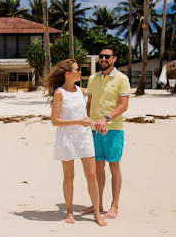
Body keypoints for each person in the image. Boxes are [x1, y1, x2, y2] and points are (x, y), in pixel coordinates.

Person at [45, 59, 107, 227]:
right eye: (77, 70)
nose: (80, 72)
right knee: (69, 176)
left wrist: (97, 125)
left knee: (92, 175)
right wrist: (77, 122)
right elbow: (55, 121)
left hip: (84, 136)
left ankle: (96, 213)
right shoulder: (59, 93)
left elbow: (84, 117)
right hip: (66, 137)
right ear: (67, 73)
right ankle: (70, 211)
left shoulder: (81, 91)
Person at [81, 45, 131, 219]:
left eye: (107, 57)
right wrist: (86, 123)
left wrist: (106, 119)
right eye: (101, 56)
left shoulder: (122, 78)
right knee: (98, 168)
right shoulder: (93, 78)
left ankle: (114, 205)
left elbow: (123, 106)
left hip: (113, 130)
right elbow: (89, 103)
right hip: (94, 131)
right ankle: (98, 204)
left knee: (114, 167)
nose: (103, 59)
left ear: (114, 59)